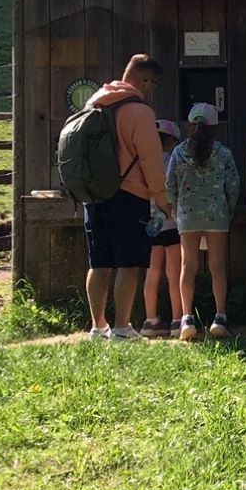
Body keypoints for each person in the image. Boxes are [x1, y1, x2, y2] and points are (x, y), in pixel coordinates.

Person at [82, 54, 170, 340]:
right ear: (143, 80)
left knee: (99, 262)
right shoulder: (140, 112)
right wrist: (160, 198)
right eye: (152, 84)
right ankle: (121, 327)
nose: (151, 89)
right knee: (129, 263)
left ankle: (98, 327)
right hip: (130, 195)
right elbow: (151, 159)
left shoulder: (94, 102)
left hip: (93, 194)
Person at [167, 102, 242, 341]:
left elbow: (170, 185)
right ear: (215, 127)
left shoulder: (179, 152)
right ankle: (220, 316)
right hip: (216, 214)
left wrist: (175, 208)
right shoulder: (223, 153)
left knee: (188, 266)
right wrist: (228, 210)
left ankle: (186, 318)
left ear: (190, 125)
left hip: (187, 215)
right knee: (217, 266)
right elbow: (233, 185)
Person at [140, 118, 182, 337]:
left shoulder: (144, 162)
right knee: (174, 272)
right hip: (171, 222)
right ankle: (177, 320)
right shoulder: (172, 161)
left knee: (152, 271)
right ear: (172, 141)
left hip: (149, 223)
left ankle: (150, 320)